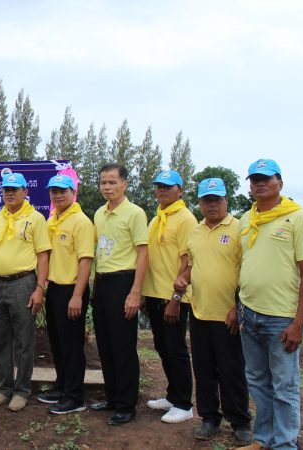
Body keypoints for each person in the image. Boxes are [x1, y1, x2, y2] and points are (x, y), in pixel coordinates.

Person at [236, 159, 303, 450]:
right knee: (257, 381)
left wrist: (299, 323)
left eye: (266, 179)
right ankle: (263, 439)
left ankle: (284, 444)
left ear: (279, 183)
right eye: (254, 179)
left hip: (281, 318)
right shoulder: (246, 219)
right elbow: (242, 264)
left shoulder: (297, 218)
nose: (259, 184)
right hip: (249, 312)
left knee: (284, 385)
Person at [175, 178, 252, 444]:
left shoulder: (239, 228)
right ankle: (209, 418)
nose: (212, 205)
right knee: (204, 370)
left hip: (228, 314)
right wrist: (182, 279)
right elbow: (192, 265)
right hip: (199, 311)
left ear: (226, 201)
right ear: (199, 203)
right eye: (207, 200)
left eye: (217, 200)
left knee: (232, 371)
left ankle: (240, 421)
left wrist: (237, 307)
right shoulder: (195, 231)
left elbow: (247, 270)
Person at [0, 173, 51, 412]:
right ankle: (3, 388)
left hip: (24, 283)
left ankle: (21, 390)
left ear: (25, 192)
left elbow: (43, 256)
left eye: (15, 189)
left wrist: (40, 288)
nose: (9, 193)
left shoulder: (36, 218)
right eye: (6, 190)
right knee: (1, 339)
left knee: (23, 341)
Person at [89, 164, 149, 426]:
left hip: (123, 282)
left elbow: (143, 253)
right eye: (103, 182)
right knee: (105, 344)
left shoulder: (134, 213)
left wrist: (136, 291)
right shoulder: (99, 213)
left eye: (112, 182)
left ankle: (126, 405)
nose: (107, 187)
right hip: (102, 283)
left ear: (124, 184)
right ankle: (112, 397)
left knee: (123, 346)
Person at [141, 169, 197, 424]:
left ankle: (184, 404)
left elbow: (188, 261)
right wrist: (144, 294)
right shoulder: (156, 218)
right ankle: (173, 395)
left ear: (180, 190)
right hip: (154, 294)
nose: (162, 190)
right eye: (159, 186)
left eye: (168, 186)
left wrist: (176, 298)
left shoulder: (185, 219)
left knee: (175, 349)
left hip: (172, 297)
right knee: (162, 347)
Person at [38, 175, 94, 415]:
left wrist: (77, 295)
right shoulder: (53, 219)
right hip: (55, 288)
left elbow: (85, 260)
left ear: (73, 193)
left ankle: (74, 396)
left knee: (71, 345)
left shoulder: (81, 222)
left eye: (63, 191)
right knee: (58, 342)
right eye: (54, 191)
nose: (58, 195)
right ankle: (61, 386)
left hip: (72, 289)